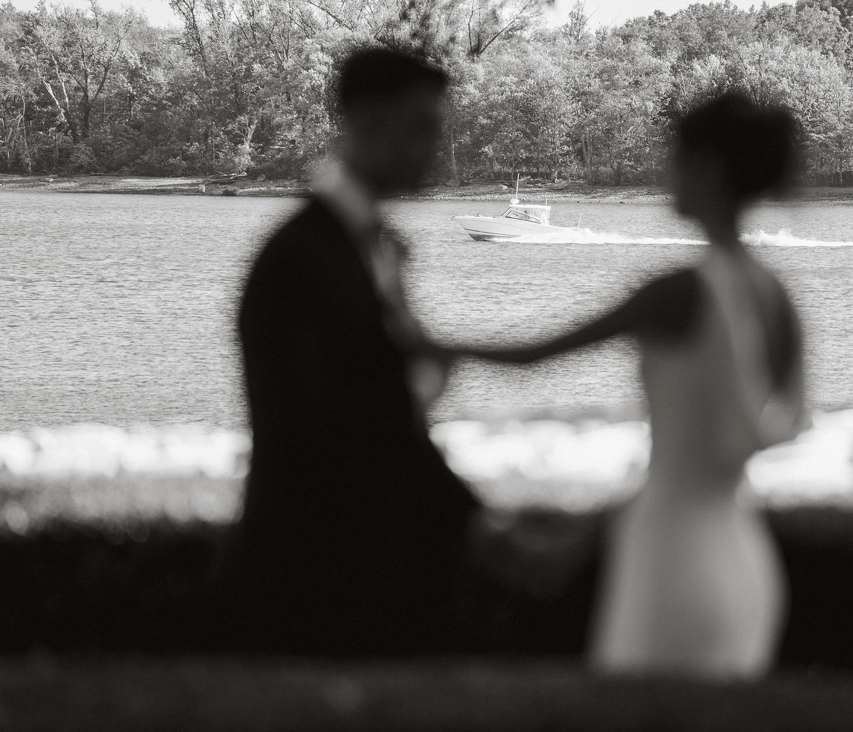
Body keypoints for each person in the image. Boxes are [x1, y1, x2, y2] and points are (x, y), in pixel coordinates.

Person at [455, 93, 806, 678]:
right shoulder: (775, 293)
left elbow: (535, 356)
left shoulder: (678, 291)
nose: (666, 172)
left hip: (670, 557)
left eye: (677, 156)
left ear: (709, 169)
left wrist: (422, 342)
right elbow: (783, 423)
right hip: (745, 556)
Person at [233, 48, 479, 655]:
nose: (435, 148)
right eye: (423, 127)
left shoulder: (371, 247)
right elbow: (319, 424)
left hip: (373, 565)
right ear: (368, 120)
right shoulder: (299, 260)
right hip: (317, 577)